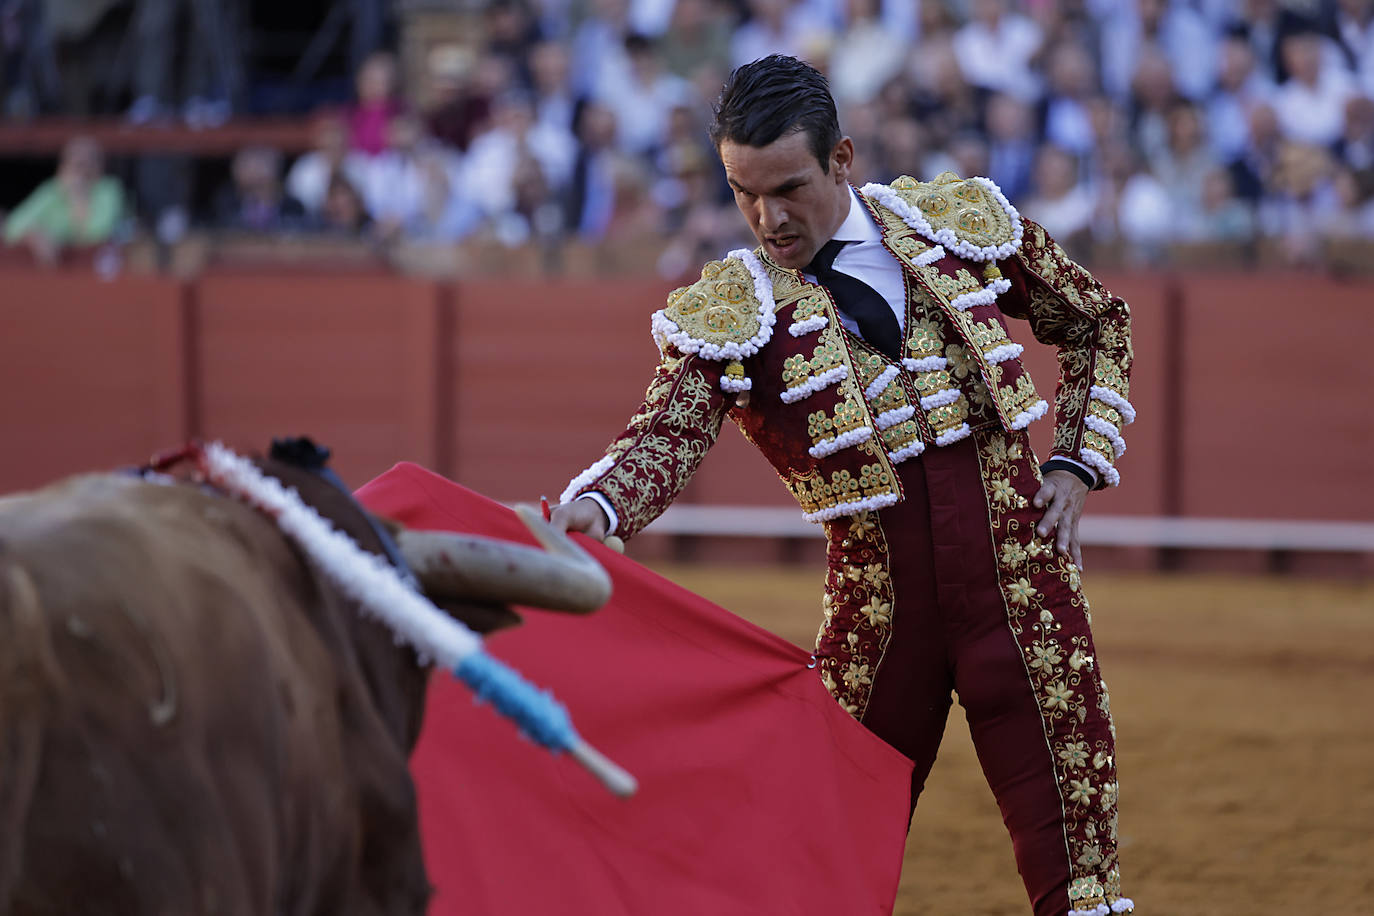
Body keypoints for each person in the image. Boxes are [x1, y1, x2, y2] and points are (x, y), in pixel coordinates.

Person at [550, 55, 1135, 916]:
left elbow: (1095, 323)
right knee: (810, 880)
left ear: (843, 159)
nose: (767, 219)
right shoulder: (732, 308)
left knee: (1081, 881)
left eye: (787, 187)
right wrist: (599, 507)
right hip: (879, 621)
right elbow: (665, 433)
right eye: (743, 193)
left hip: (1026, 590)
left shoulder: (955, 224)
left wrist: (1076, 459)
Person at [3, 135, 126, 264]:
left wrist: (77, 196)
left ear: (99, 165)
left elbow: (96, 236)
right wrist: (33, 234)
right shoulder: (52, 190)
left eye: (86, 163)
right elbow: (12, 227)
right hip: (54, 272)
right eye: (75, 163)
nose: (81, 171)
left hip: (97, 269)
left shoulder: (109, 190)